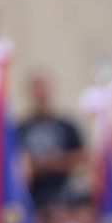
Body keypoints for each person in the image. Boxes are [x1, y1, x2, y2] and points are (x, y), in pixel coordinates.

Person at [17, 72, 85, 210]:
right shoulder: (22, 128)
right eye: (36, 89)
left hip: (66, 196)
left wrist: (53, 163)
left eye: (43, 88)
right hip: (35, 199)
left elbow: (82, 157)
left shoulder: (66, 125)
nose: (40, 93)